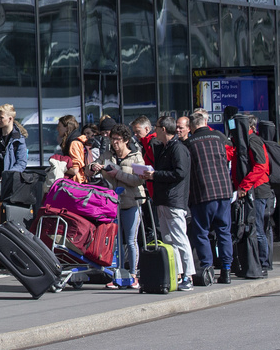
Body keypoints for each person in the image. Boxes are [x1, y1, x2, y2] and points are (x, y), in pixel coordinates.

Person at [92, 124, 145, 289]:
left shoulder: (136, 156)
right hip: (113, 204)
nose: (114, 142)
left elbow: (139, 180)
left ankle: (133, 275)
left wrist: (118, 174)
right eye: (112, 139)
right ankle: (118, 275)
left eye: (118, 140)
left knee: (131, 240)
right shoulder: (108, 155)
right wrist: (93, 167)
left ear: (126, 140)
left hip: (132, 202)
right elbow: (90, 169)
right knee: (116, 241)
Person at [145, 116, 194, 290]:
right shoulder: (165, 147)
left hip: (174, 199)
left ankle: (188, 275)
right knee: (168, 239)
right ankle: (178, 274)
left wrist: (155, 175)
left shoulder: (178, 148)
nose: (154, 130)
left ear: (164, 129)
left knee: (179, 238)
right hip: (164, 199)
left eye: (156, 127)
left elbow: (180, 173)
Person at [185, 109, 233, 284]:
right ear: (205, 123)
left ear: (191, 126)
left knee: (201, 233)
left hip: (203, 193)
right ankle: (226, 270)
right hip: (224, 191)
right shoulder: (219, 138)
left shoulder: (189, 143)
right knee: (224, 231)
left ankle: (207, 269)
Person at [227, 113, 273, 274]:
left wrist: (244, 186)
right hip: (249, 188)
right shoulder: (243, 141)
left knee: (257, 228)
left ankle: (263, 263)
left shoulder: (253, 141)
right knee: (251, 226)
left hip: (257, 189)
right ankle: (255, 262)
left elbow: (260, 166)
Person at [56, 115, 89, 183]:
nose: (57, 129)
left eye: (59, 126)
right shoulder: (74, 140)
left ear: (67, 128)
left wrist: (58, 167)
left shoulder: (74, 143)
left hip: (77, 182)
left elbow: (75, 170)